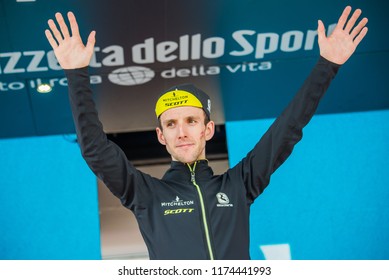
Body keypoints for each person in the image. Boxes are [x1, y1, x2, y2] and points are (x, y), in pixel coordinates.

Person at [45, 6, 368, 260]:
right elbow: (95, 151)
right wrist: (76, 74)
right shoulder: (144, 194)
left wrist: (327, 64)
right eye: (171, 124)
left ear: (207, 129)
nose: (182, 131)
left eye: (190, 121)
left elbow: (287, 130)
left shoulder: (241, 184)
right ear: (161, 136)